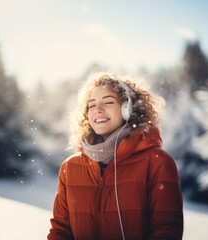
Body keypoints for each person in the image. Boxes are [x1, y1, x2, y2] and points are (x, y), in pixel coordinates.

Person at [47, 72, 184, 239]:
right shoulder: (70, 167)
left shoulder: (157, 163)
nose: (98, 110)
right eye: (91, 105)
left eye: (108, 102)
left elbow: (166, 231)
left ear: (128, 109)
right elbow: (60, 231)